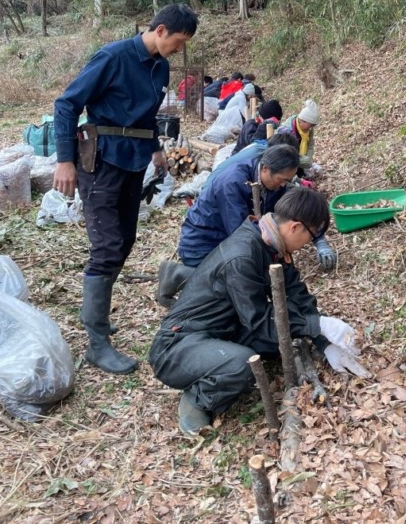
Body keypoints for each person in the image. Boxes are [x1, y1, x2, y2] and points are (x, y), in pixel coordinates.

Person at [149, 188, 369, 434]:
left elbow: (295, 292)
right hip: (178, 346)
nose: (308, 243)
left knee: (274, 344)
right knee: (242, 365)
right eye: (311, 236)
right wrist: (319, 325)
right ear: (295, 227)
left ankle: (218, 361)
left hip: (226, 327)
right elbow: (260, 321)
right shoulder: (242, 256)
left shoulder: (271, 242)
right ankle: (197, 397)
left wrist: (323, 341)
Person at [53, 3, 198, 375]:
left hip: (134, 160)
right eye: (179, 42)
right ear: (161, 30)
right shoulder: (113, 57)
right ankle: (97, 342)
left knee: (127, 238)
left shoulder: (160, 66)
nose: (179, 50)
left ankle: (97, 315)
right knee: (107, 247)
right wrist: (64, 159)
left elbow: (148, 116)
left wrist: (155, 149)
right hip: (100, 161)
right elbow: (67, 104)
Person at [157, 143, 299, 307]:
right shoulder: (233, 182)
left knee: (246, 281)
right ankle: (178, 275)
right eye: (282, 180)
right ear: (266, 168)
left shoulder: (274, 184)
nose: (283, 185)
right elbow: (240, 233)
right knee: (231, 291)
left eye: (287, 181)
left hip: (225, 240)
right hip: (202, 244)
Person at [278, 99, 338, 272]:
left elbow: (309, 147)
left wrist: (303, 168)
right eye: (309, 125)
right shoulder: (286, 132)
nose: (310, 129)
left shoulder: (306, 131)